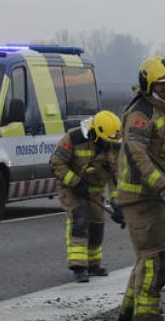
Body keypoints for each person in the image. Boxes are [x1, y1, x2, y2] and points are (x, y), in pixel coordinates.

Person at [114, 56, 165, 321]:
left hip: (147, 196)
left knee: (146, 256)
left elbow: (158, 155)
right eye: (162, 84)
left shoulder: (157, 110)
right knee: (158, 258)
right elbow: (136, 152)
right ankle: (146, 318)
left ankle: (130, 309)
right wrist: (162, 186)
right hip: (143, 197)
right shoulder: (142, 112)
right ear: (148, 84)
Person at [49, 110, 123, 283]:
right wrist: (76, 182)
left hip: (95, 190)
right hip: (72, 188)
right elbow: (56, 163)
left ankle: (93, 264)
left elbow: (116, 177)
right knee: (79, 219)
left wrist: (118, 206)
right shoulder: (74, 138)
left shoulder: (115, 145)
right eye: (106, 140)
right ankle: (78, 266)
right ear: (95, 134)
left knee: (97, 226)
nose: (109, 144)